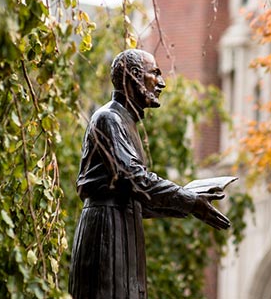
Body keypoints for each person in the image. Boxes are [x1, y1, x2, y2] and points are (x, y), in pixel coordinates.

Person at [68, 49, 230, 299]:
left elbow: (136, 194)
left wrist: (188, 203)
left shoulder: (126, 122)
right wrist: (187, 200)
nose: (161, 83)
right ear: (133, 77)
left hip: (123, 228)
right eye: (154, 73)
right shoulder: (108, 119)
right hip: (106, 234)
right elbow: (134, 179)